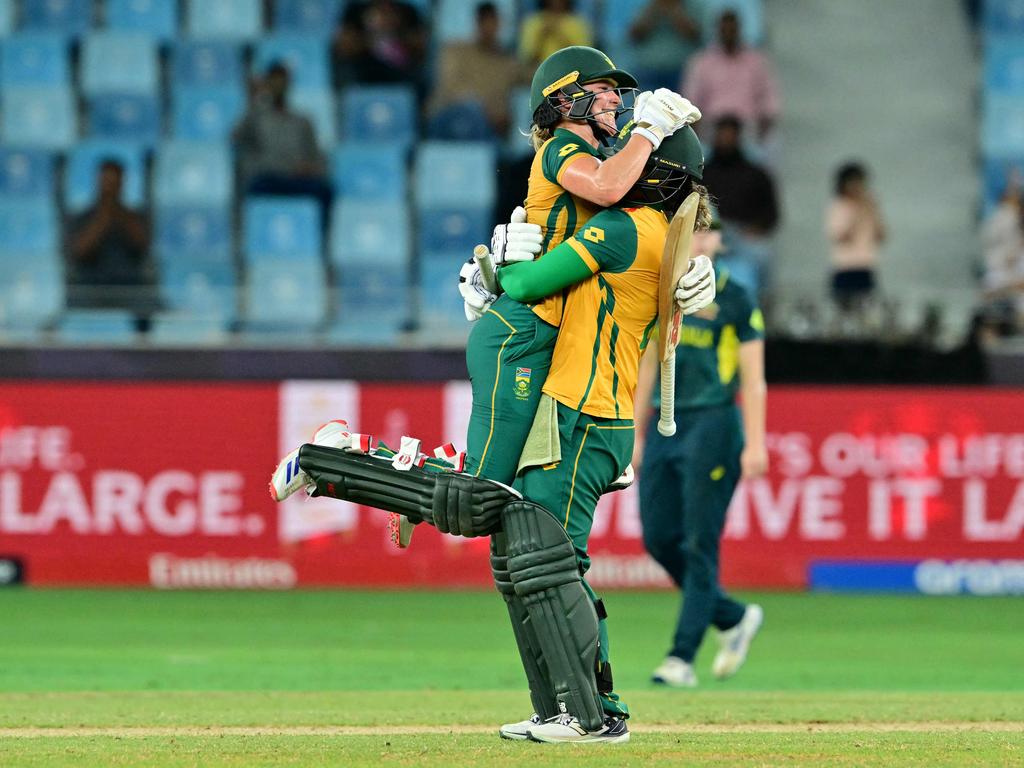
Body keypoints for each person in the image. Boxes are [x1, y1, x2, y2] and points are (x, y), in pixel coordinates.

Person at [489, 126, 714, 742]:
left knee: (553, 564)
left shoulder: (622, 229)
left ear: (658, 175)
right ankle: (563, 705)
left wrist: (501, 265)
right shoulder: (661, 238)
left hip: (582, 413)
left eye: (638, 161)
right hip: (592, 412)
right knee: (533, 563)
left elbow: (531, 285)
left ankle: (597, 711)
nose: (620, 165)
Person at [633, 212, 767, 689]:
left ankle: (680, 658)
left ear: (720, 243)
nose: (700, 238)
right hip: (667, 423)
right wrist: (634, 434)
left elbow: (753, 379)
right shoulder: (663, 289)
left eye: (708, 231)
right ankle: (732, 617)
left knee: (698, 542)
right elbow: (649, 363)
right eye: (694, 229)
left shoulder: (734, 297)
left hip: (713, 423)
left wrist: (755, 443)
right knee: (657, 537)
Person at [232, 62, 333, 225]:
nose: (279, 85)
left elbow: (316, 156)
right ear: (268, 83)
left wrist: (311, 167)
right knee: (255, 188)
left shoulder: (303, 120)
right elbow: (237, 138)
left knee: (324, 190)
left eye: (283, 80)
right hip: (268, 179)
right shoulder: (257, 117)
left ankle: (318, 238)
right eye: (274, 80)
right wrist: (251, 102)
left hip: (296, 179)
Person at [65, 158, 155, 321]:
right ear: (97, 181)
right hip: (91, 290)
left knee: (151, 305)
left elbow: (143, 245)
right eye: (106, 181)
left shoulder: (134, 216)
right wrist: (104, 217)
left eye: (114, 181)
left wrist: (118, 211)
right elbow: (79, 252)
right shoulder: (82, 217)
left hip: (130, 290)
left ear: (122, 183)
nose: (109, 186)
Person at [701, 114, 779, 293]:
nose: (726, 139)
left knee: (763, 254)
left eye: (730, 135)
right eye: (723, 134)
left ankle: (760, 302)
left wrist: (756, 229)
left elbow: (771, 213)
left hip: (743, 235)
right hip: (709, 233)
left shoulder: (756, 174)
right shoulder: (703, 172)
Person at [427, 2, 525, 139]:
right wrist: (484, 108)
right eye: (485, 22)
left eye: (494, 23)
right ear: (477, 23)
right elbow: (450, 88)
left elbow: (532, 76)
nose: (489, 28)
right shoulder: (455, 52)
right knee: (470, 113)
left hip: (490, 129)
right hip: (449, 119)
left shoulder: (507, 62)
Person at [682, 9, 779, 142]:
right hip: (712, 130)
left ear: (738, 30)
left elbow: (769, 101)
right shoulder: (701, 62)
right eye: (724, 30)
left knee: (771, 142)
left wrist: (762, 131)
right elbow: (691, 102)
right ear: (718, 31)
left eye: (732, 30)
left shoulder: (757, 62)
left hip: (747, 130)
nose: (728, 34)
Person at [826, 161, 886, 311]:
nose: (858, 186)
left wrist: (874, 211)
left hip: (866, 268)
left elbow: (881, 237)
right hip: (844, 269)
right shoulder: (838, 206)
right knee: (844, 313)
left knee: (866, 313)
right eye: (854, 181)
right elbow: (842, 238)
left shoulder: (869, 207)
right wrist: (858, 212)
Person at [331, 0, 428, 92]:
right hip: (362, 70)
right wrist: (373, 34)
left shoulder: (408, 11)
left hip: (400, 73)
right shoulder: (355, 10)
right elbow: (343, 47)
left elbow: (421, 48)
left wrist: (393, 30)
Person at [628, 0, 702, 92]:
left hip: (681, 70)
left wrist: (673, 11)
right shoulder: (645, 6)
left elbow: (695, 36)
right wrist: (654, 11)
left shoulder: (694, 5)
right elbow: (635, 35)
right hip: (649, 69)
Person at [519, 0, 594, 67]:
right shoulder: (534, 22)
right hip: (538, 72)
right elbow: (527, 60)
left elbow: (583, 59)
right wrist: (542, 36)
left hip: (570, 73)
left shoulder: (578, 23)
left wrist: (559, 35)